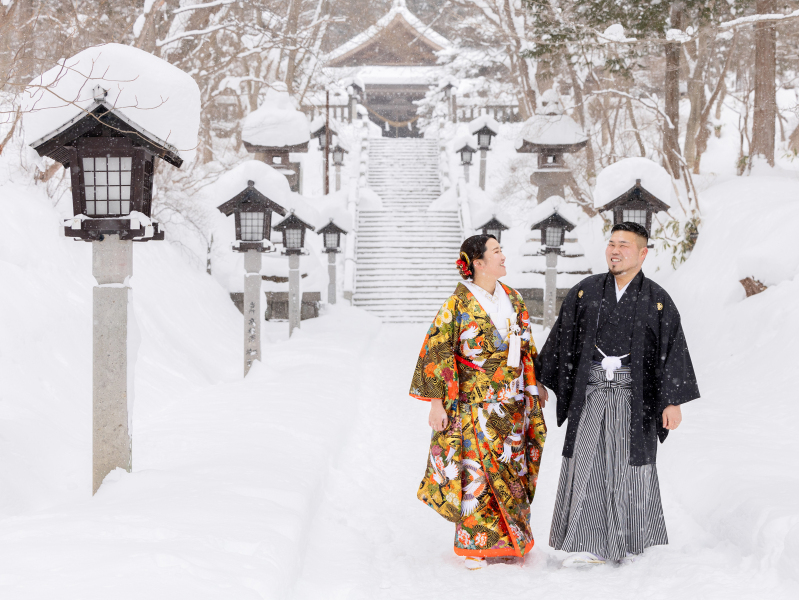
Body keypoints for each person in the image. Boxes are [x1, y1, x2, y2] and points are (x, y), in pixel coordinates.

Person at [535, 222, 700, 567]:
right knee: (587, 461)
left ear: (643, 253)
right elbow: (562, 340)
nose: (615, 250)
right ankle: (586, 542)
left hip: (634, 398)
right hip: (591, 392)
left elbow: (673, 349)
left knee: (629, 465)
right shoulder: (586, 291)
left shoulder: (657, 300)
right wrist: (542, 379)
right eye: (611, 243)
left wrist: (672, 400)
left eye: (624, 245)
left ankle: (633, 542)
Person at [410, 234, 547, 570]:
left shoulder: (513, 298)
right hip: (475, 405)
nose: (503, 256)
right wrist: (436, 404)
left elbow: (526, 346)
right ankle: (474, 543)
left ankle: (513, 540)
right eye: (496, 251)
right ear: (479, 264)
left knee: (512, 470)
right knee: (477, 477)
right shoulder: (456, 305)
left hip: (512, 403)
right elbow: (438, 352)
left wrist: (535, 383)